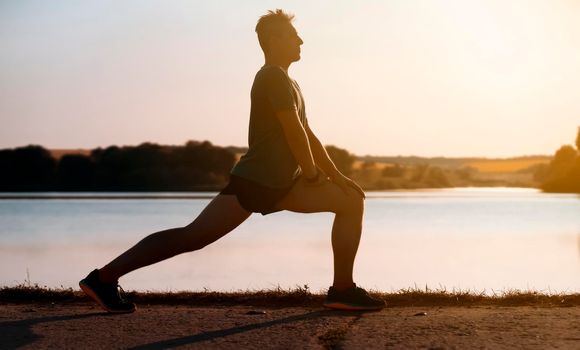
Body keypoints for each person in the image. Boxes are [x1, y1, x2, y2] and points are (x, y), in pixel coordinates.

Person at [79, 9, 385, 313]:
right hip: (259, 181)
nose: (301, 41)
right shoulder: (272, 76)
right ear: (275, 39)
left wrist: (335, 175)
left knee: (351, 200)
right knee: (192, 237)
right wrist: (312, 174)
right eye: (294, 36)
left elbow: (307, 133)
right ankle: (103, 278)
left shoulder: (289, 81)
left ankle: (343, 289)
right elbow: (293, 131)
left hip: (280, 182)